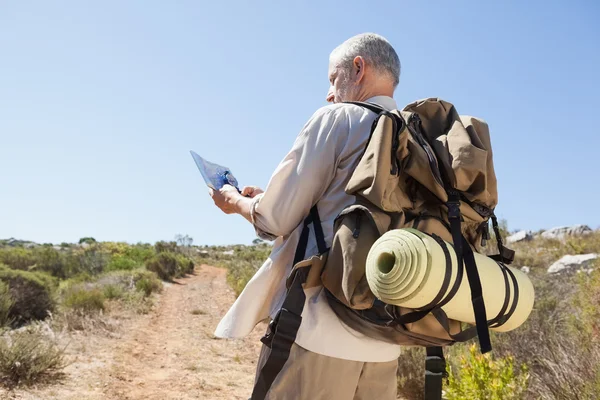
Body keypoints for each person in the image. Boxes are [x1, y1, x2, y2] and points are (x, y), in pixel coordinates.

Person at [210, 33, 402, 400]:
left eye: (333, 79)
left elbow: (275, 219)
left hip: (317, 328)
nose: (330, 92)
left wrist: (234, 201)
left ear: (357, 68)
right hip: (387, 342)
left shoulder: (339, 118)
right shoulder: (418, 139)